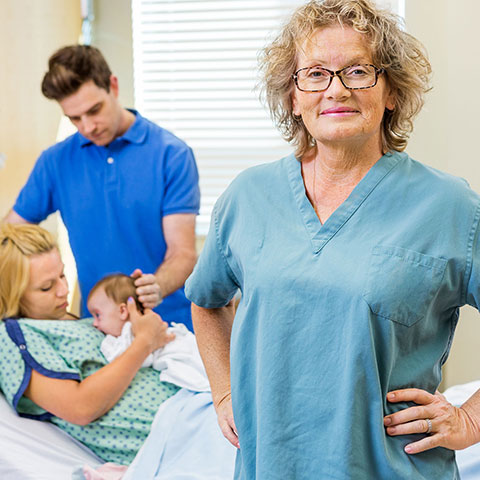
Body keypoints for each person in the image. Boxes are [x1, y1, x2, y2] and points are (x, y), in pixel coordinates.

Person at [185, 0, 480, 478]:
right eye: (316, 74)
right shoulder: (248, 197)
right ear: (293, 97)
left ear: (391, 93)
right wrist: (223, 392)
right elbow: (206, 301)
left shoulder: (449, 206)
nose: (336, 89)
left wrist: (469, 419)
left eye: (359, 71)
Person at [2, 45, 200, 331]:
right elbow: (9, 234)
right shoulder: (55, 162)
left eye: (94, 110)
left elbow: (182, 253)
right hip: (97, 329)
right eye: (74, 118)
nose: (88, 126)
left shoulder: (172, 155)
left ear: (113, 86)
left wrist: (157, 286)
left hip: (168, 325)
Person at [0, 223, 178, 465]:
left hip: (187, 411)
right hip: (172, 439)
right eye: (46, 287)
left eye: (62, 275)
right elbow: (80, 408)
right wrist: (145, 342)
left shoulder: (68, 321)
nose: (64, 290)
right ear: (10, 295)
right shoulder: (14, 335)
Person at [87, 273, 210, 392]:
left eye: (98, 315)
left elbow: (123, 360)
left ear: (123, 311)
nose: (94, 324)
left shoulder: (128, 333)